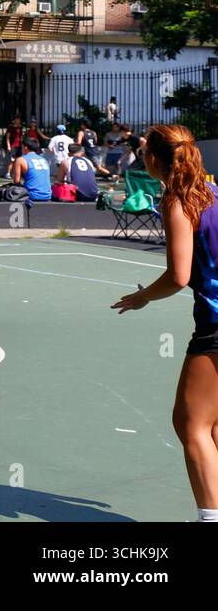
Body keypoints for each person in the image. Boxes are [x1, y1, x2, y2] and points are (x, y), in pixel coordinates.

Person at [111, 124, 218, 522]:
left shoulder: (179, 200)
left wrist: (142, 297)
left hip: (215, 324)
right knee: (211, 423)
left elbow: (179, 276)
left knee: (190, 422)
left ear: (154, 159)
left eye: (143, 154)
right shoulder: (215, 192)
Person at [9, 137, 51, 202]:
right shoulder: (44, 160)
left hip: (32, 195)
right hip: (47, 195)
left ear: (25, 147)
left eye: (22, 147)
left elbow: (16, 181)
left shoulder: (20, 160)